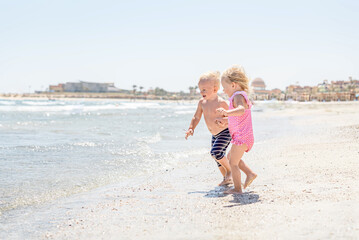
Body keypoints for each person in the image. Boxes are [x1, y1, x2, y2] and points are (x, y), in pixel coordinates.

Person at [185, 71, 232, 186]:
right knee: (217, 158)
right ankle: (226, 178)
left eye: (204, 89)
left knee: (215, 152)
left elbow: (233, 118)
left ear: (215, 89)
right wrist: (191, 128)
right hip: (214, 135)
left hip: (225, 132)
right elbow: (196, 117)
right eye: (200, 89)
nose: (202, 92)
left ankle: (230, 171)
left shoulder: (222, 103)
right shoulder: (202, 103)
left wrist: (224, 122)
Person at [216, 65, 257, 194]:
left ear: (233, 85)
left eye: (225, 87)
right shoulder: (239, 96)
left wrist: (227, 113)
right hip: (244, 136)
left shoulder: (238, 96)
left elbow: (241, 110)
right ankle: (250, 173)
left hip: (242, 137)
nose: (223, 90)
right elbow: (238, 118)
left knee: (233, 163)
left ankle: (238, 189)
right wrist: (225, 121)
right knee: (231, 157)